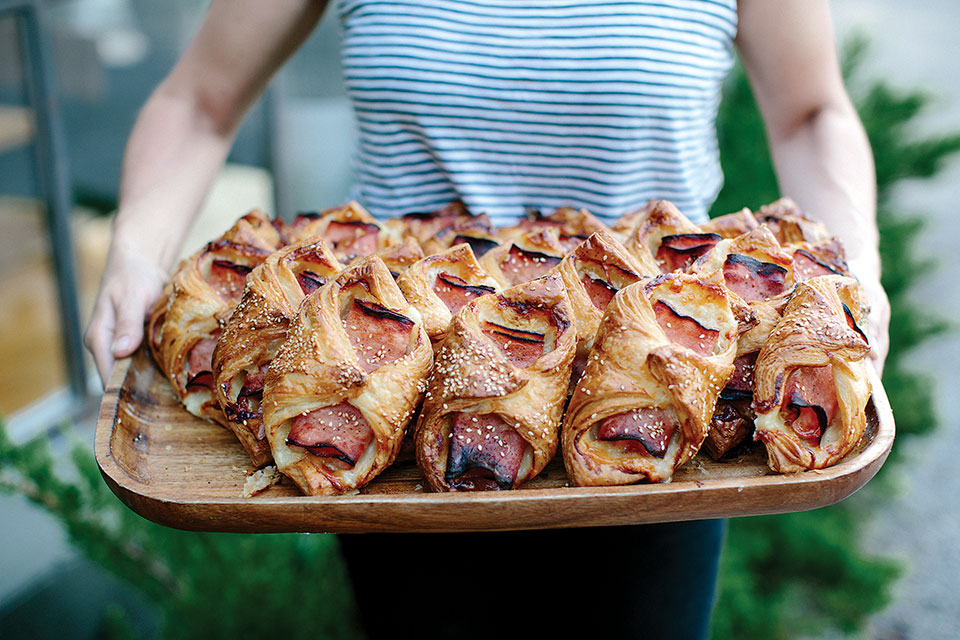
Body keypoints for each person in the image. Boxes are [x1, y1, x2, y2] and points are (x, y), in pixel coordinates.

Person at [84, 1, 889, 638]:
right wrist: (137, 251)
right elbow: (198, 100)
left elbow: (811, 111)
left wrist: (857, 272)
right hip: (386, 401)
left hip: (667, 385)